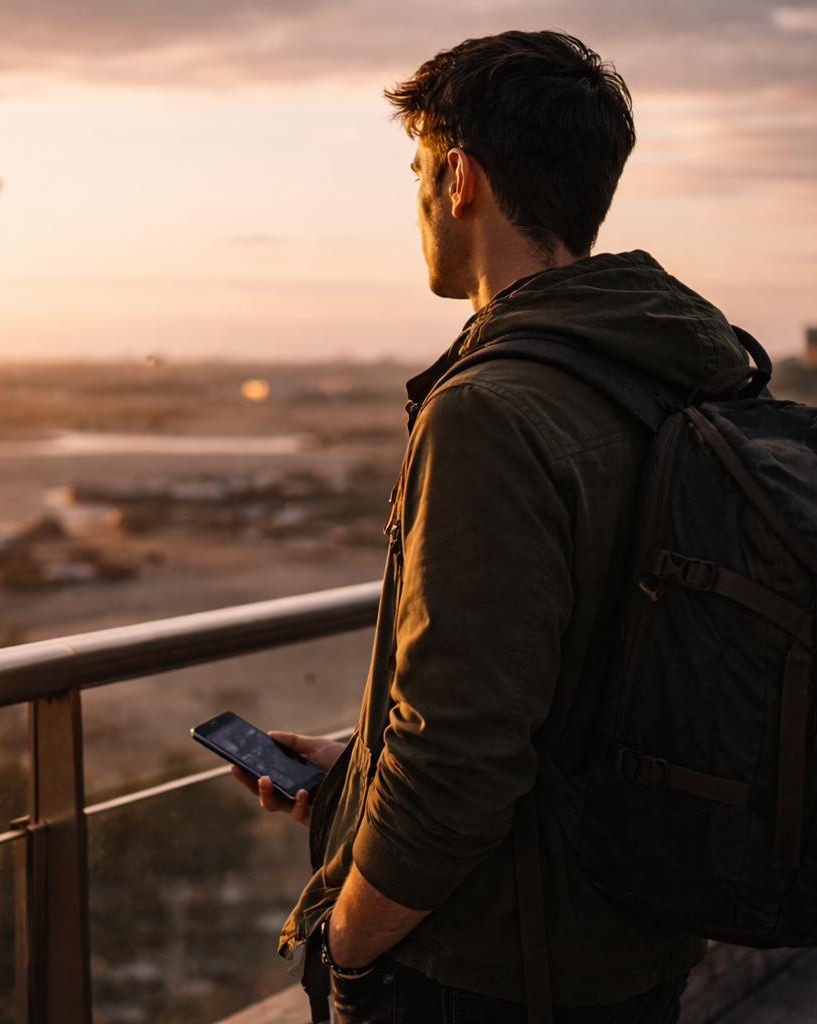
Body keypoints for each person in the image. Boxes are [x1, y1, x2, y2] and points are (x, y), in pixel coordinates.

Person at [230, 29, 752, 1024]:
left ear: (459, 177)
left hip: (485, 970)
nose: (418, 199)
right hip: (628, 936)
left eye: (419, 169)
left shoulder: (491, 410)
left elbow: (461, 760)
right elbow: (587, 669)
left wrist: (348, 938)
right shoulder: (672, 371)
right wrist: (364, 761)